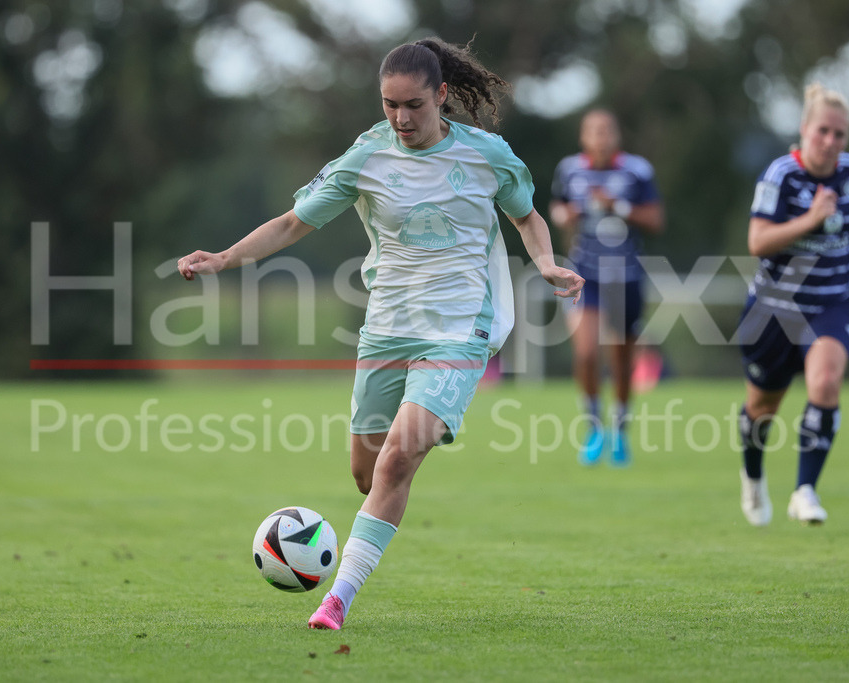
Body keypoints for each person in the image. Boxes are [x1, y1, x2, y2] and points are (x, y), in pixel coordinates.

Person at [177, 38, 583, 629]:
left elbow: (526, 215)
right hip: (387, 329)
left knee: (396, 462)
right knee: (367, 474)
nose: (400, 118)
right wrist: (224, 258)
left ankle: (335, 600)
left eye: (413, 105)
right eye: (389, 104)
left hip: (458, 330)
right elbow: (293, 223)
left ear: (442, 96)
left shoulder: (488, 156)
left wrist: (544, 262)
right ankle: (375, 516)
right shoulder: (366, 157)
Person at [736, 83, 849, 526]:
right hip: (774, 310)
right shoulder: (781, 175)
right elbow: (757, 242)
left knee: (825, 384)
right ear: (805, 129)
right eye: (823, 131)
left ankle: (805, 490)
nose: (831, 142)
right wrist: (811, 219)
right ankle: (752, 477)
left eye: (840, 134)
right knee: (762, 411)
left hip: (833, 303)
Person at [549, 109, 664, 467]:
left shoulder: (636, 170)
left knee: (621, 358)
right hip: (587, 274)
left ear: (617, 135)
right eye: (593, 131)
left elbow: (656, 219)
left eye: (607, 130)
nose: (600, 137)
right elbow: (557, 207)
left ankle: (620, 429)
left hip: (626, 276)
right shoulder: (570, 170)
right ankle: (595, 426)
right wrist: (563, 216)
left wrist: (620, 207)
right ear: (584, 137)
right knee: (585, 353)